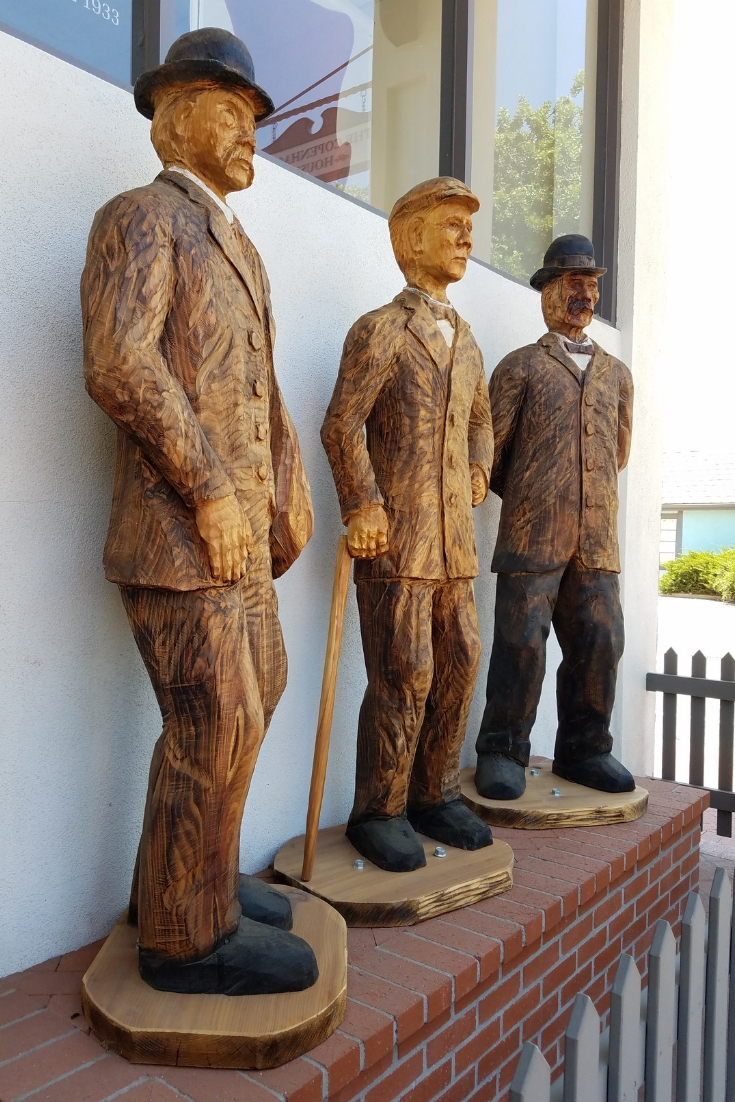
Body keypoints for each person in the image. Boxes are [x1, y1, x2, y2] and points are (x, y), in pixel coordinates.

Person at [81, 29, 318, 994]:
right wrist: (216, 492)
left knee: (254, 694)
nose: (251, 127)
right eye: (232, 108)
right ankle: (183, 936)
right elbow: (121, 364)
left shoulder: (240, 247)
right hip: (179, 536)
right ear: (175, 116)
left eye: (256, 114)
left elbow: (255, 391)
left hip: (238, 545)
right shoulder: (140, 219)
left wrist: (286, 498)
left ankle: (191, 880)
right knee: (212, 719)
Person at [321, 178, 495, 873]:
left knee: (460, 661)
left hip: (455, 543)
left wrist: (479, 469)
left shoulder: (468, 339)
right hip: (397, 542)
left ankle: (434, 791)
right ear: (410, 237)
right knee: (404, 673)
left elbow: (480, 420)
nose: (464, 238)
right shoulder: (380, 330)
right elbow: (341, 425)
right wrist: (362, 503)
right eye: (450, 225)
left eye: (467, 227)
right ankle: (379, 808)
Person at [474, 234, 635, 801]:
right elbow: (488, 457)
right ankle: (501, 748)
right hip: (533, 534)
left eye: (591, 284)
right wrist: (535, 495)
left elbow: (617, 452)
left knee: (602, 639)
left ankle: (585, 748)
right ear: (546, 293)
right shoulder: (519, 367)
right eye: (572, 283)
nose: (584, 294)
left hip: (596, 539)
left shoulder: (617, 374)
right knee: (520, 641)